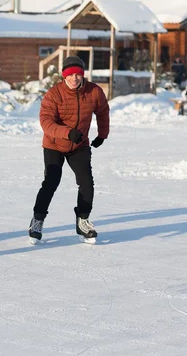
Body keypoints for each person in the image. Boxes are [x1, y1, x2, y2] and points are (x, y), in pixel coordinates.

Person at [29, 56, 110, 245]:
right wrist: (67, 133)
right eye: (70, 75)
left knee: (86, 182)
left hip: (79, 145)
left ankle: (82, 220)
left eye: (78, 74)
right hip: (55, 144)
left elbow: (103, 111)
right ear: (64, 76)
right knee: (51, 182)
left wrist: (102, 134)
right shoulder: (54, 94)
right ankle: (37, 221)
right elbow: (46, 122)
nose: (74, 78)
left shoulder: (94, 92)